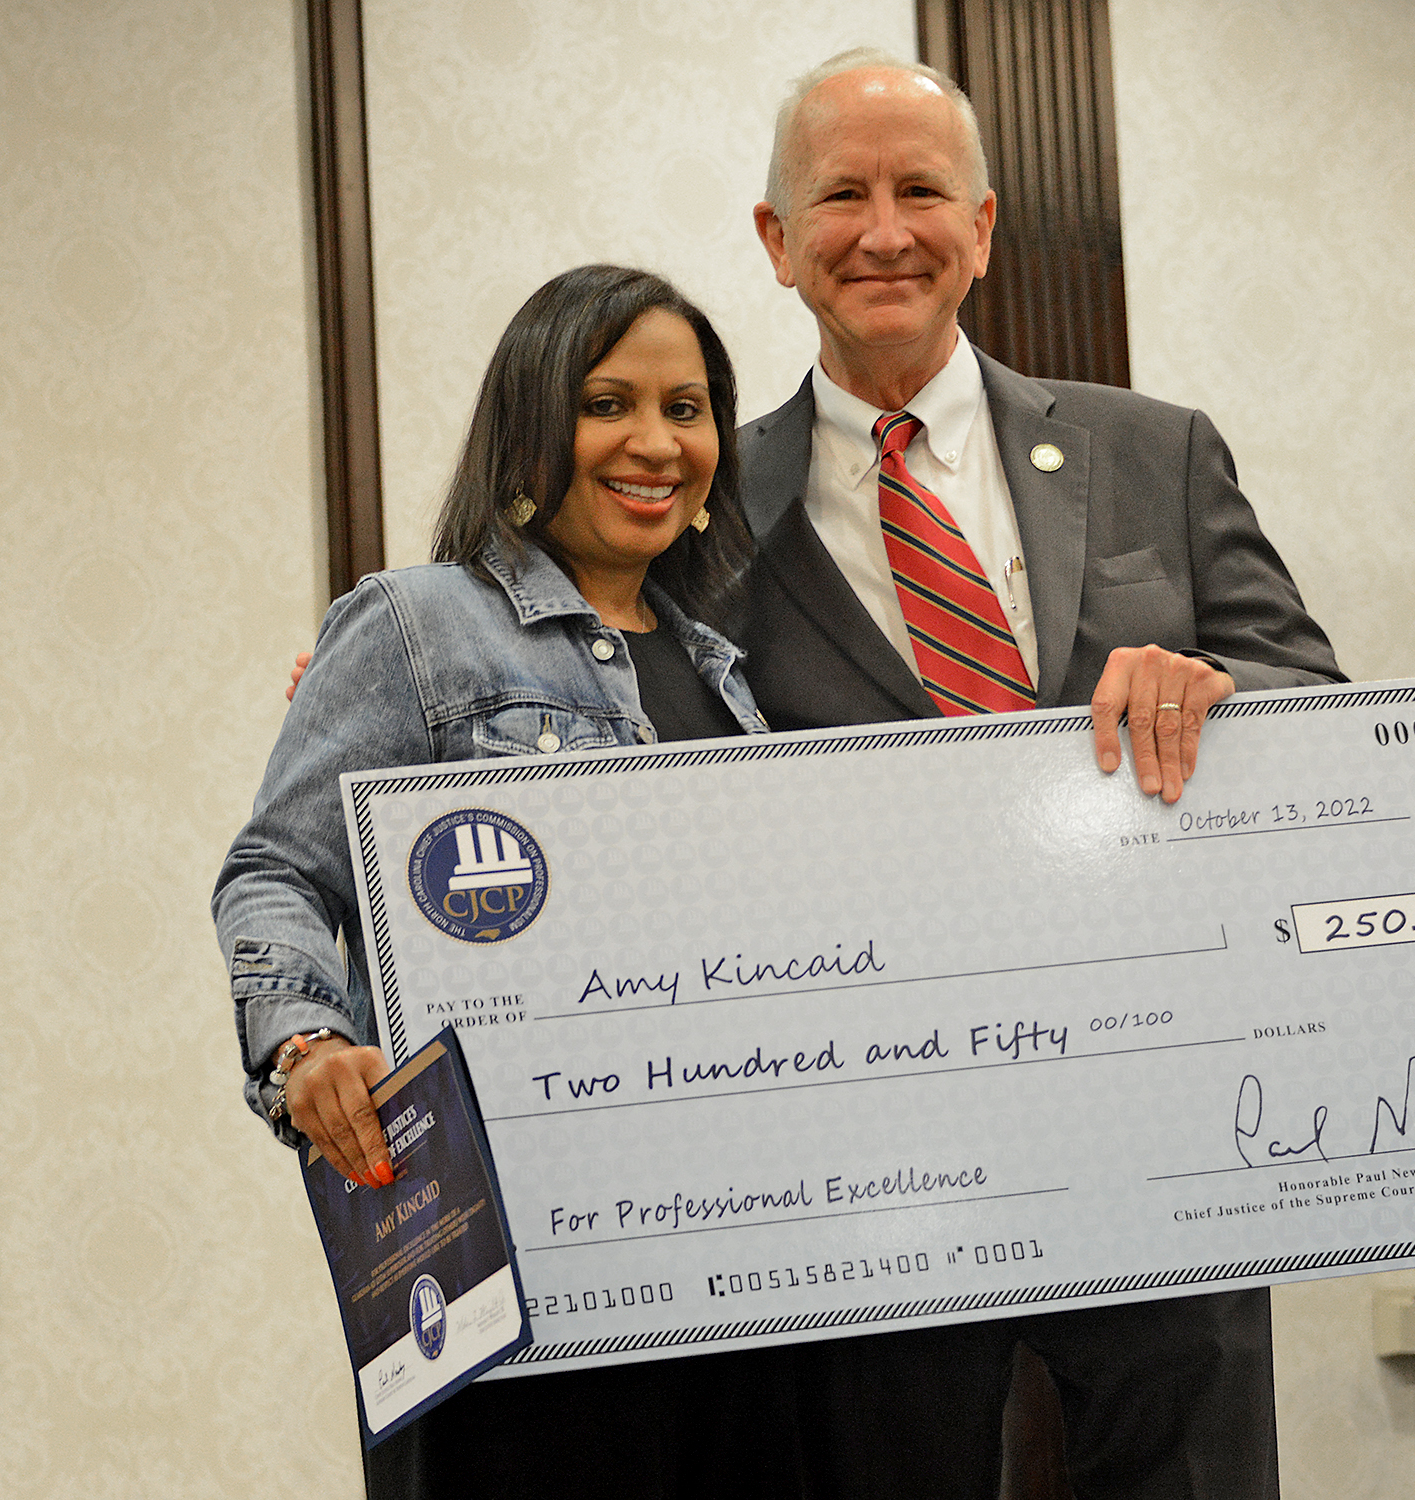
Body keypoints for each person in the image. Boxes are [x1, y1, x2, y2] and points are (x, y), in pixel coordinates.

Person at [731, 48, 1346, 1500]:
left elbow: (1315, 698)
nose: (886, 230)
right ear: (776, 243)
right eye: (842, 196)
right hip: (869, 1160)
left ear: (986, 226)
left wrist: (1213, 688)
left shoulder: (1155, 454)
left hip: (1169, 1114)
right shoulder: (706, 507)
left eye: (922, 190)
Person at [217, 264, 813, 1497]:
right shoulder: (415, 624)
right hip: (504, 1283)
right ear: (535, 424)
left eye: (689, 409)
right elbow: (274, 868)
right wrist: (306, 1046)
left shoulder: (730, 672)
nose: (655, 442)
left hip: (731, 1272)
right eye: (610, 403)